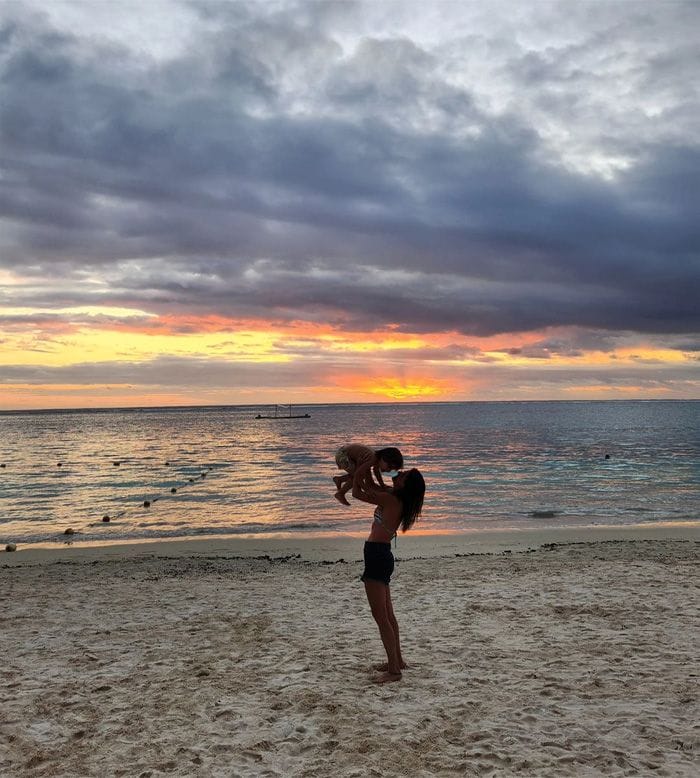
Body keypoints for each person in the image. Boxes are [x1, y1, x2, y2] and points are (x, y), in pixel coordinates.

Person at [352, 458, 425, 684]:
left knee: (381, 617)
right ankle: (398, 661)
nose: (399, 474)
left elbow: (357, 493)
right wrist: (372, 468)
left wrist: (363, 466)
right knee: (389, 616)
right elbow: (373, 486)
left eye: (403, 475)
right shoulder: (396, 498)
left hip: (376, 555)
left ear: (405, 485)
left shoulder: (391, 499)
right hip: (381, 555)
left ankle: (394, 671)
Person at [332, 444, 403, 506]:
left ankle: (339, 479)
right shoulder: (372, 459)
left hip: (346, 453)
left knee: (359, 473)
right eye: (389, 467)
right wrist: (367, 490)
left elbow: (376, 472)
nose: (388, 470)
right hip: (343, 455)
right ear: (383, 458)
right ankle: (340, 493)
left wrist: (382, 485)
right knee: (360, 475)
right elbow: (358, 475)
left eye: (391, 469)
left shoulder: (376, 459)